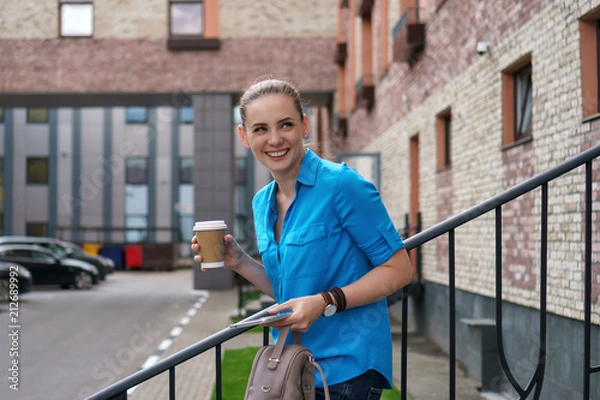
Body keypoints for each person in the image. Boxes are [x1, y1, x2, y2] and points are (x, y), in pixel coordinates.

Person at [191, 77, 413, 399]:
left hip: (347, 373)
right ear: (243, 136)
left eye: (286, 125)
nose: (275, 139)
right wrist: (238, 261)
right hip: (296, 370)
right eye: (261, 129)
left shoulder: (342, 185)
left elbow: (399, 269)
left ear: (304, 125)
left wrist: (325, 301)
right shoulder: (261, 202)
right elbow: (289, 289)